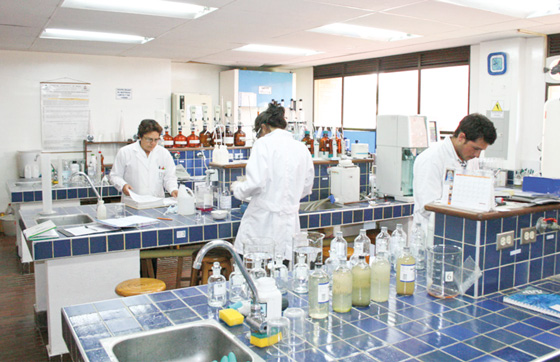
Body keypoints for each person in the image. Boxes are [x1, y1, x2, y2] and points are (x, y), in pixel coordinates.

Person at [232, 103, 314, 260]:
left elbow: (255, 183)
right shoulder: (301, 148)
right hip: (290, 224)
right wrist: (286, 201)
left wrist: (238, 188)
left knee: (257, 273)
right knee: (284, 271)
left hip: (262, 224)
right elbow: (306, 187)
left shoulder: (262, 144)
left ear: (263, 127)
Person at [413, 113, 497, 241]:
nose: (477, 155)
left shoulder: (469, 158)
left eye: (481, 150)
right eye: (475, 149)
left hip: (461, 232)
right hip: (432, 235)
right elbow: (428, 207)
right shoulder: (431, 159)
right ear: (461, 137)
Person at [110, 119, 179, 198]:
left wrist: (173, 189)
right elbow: (115, 176)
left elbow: (170, 177)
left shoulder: (164, 154)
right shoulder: (125, 152)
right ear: (140, 136)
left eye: (156, 140)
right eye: (149, 139)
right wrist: (123, 185)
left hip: (157, 202)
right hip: (133, 203)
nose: (153, 143)